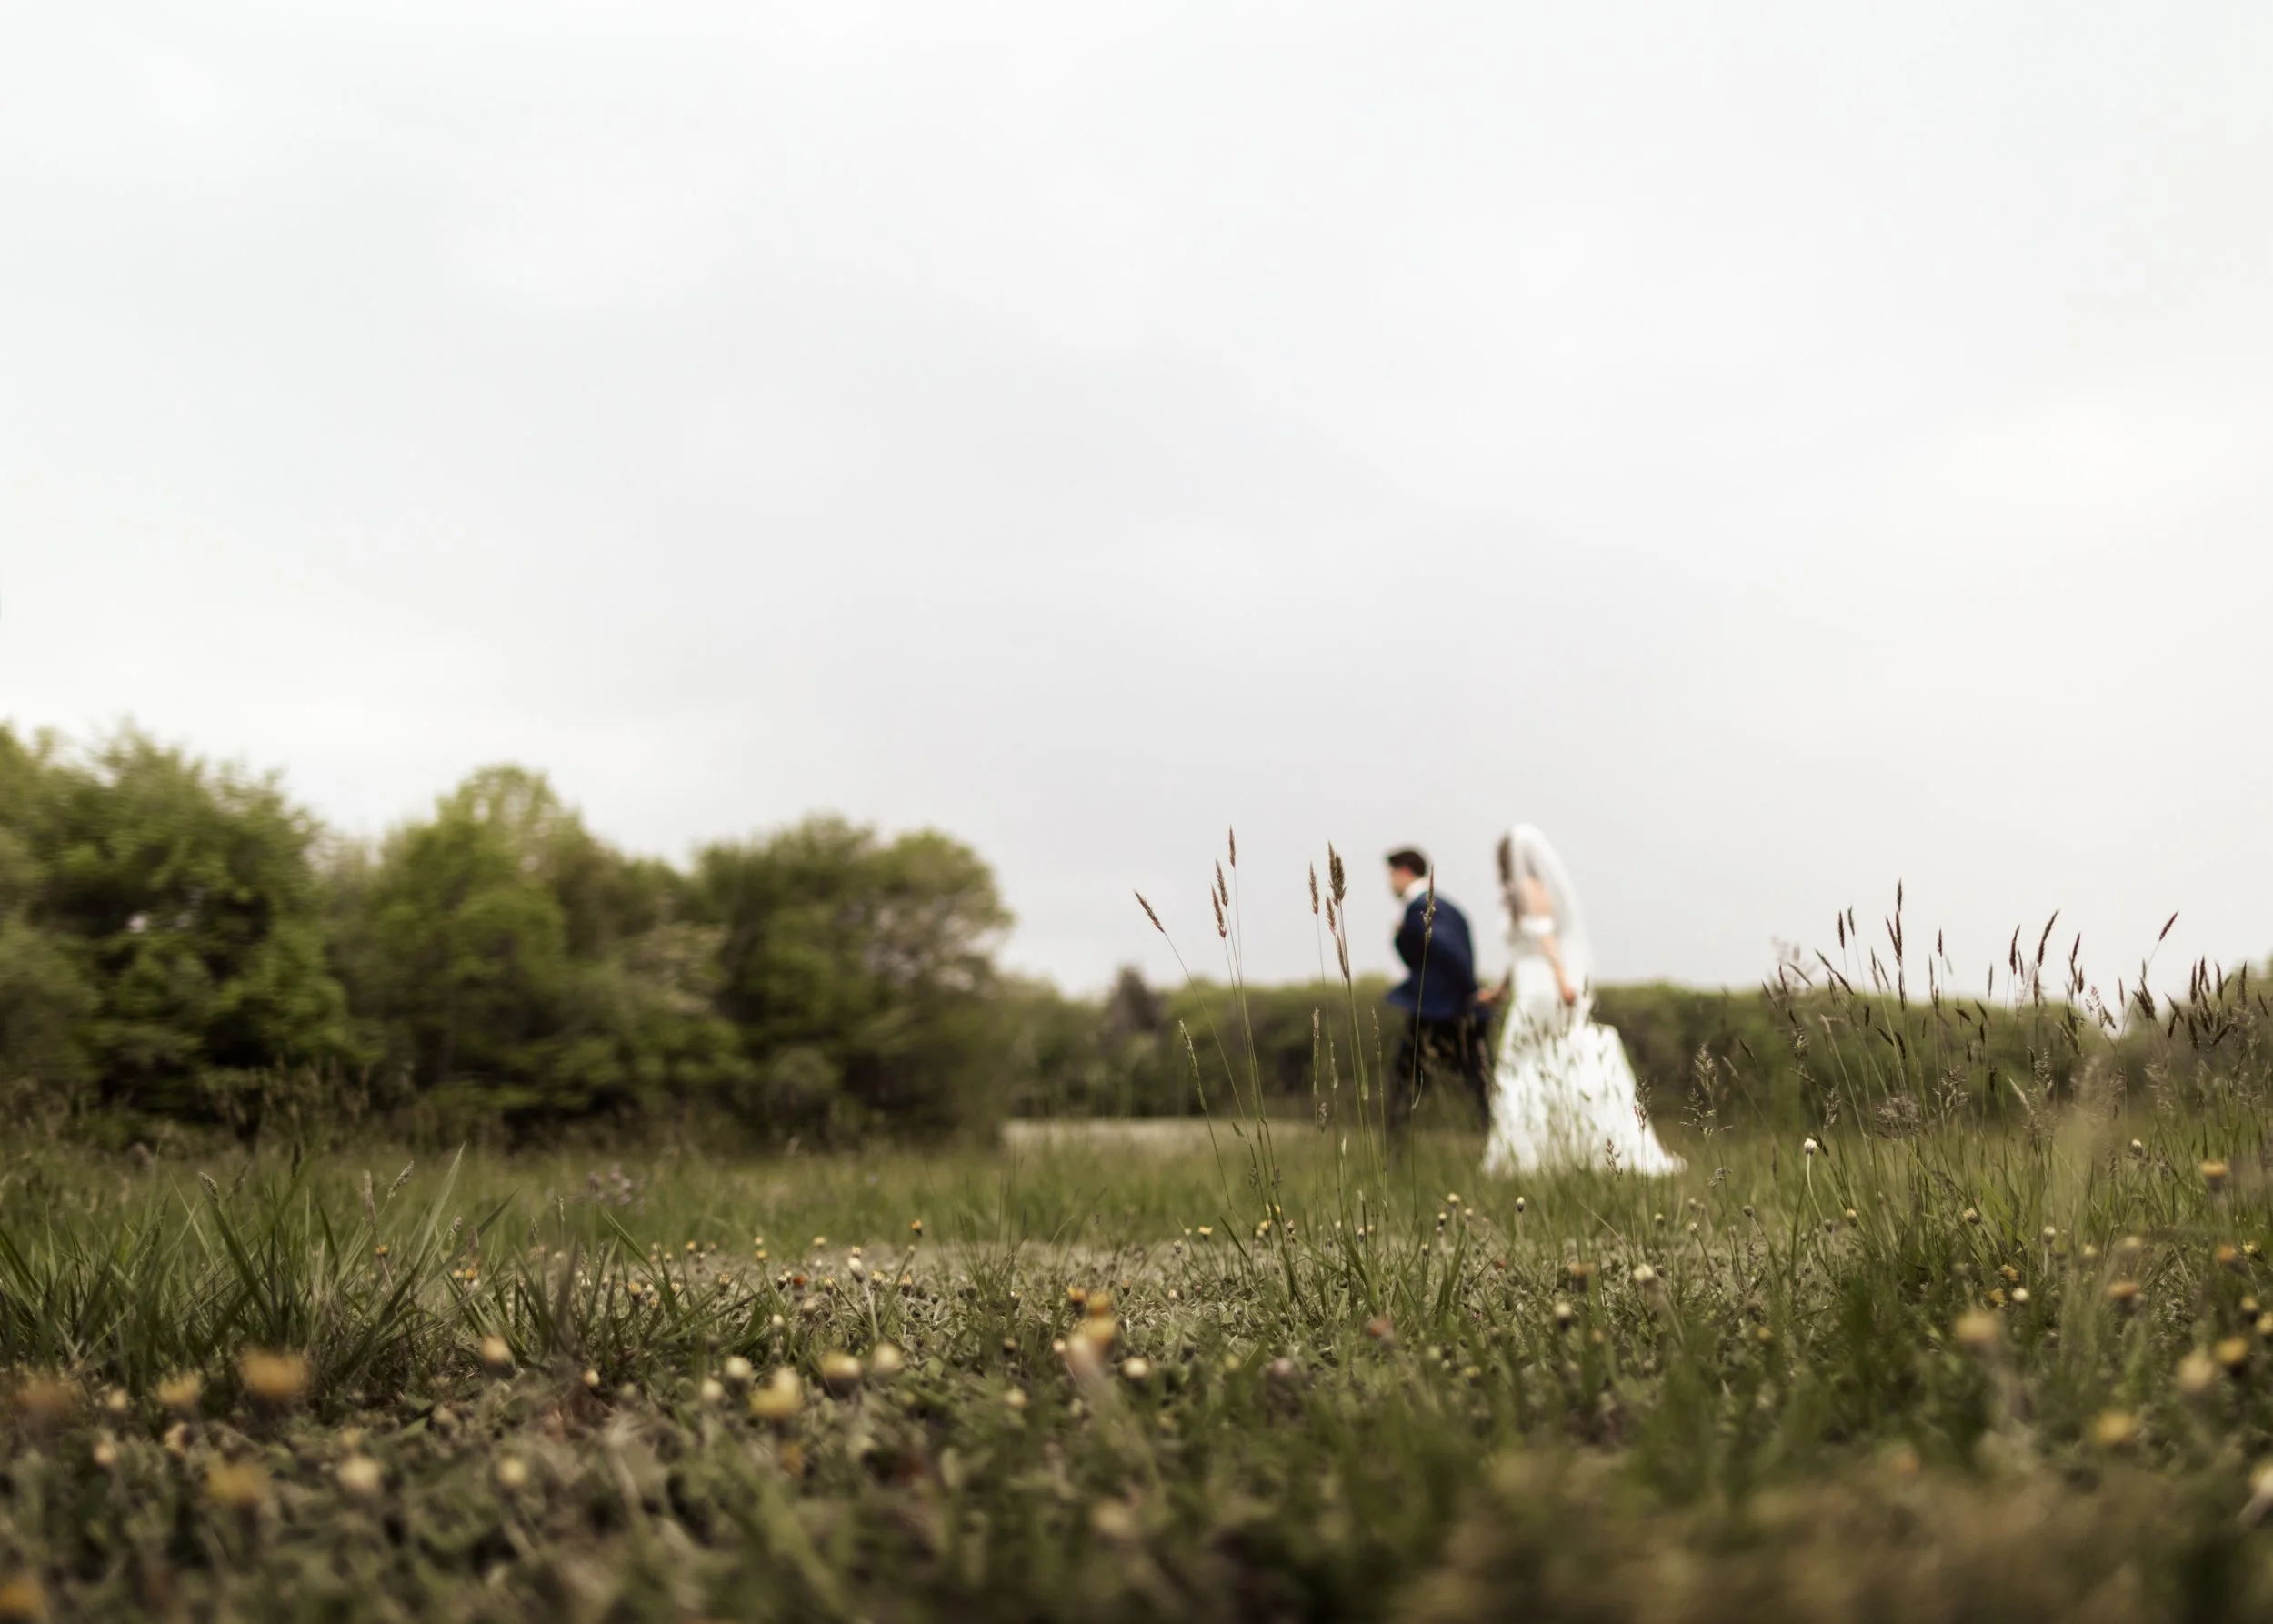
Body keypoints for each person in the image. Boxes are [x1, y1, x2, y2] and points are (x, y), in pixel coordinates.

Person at [1483, 826, 1684, 1176]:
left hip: (1540, 990)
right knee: (1540, 1064)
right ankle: (1549, 1150)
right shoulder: (1520, 893)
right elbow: (1522, 949)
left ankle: (1533, 1154)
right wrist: (1501, 988)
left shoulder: (1526, 890)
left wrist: (1562, 979)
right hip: (1530, 984)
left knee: (1522, 1067)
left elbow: (1545, 938)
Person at [1383, 847, 1494, 1131]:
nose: (1390, 882)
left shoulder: (1423, 906)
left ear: (1405, 872)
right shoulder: (1447, 906)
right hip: (1452, 1008)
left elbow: (1449, 952)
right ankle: (1491, 1137)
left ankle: (1394, 1155)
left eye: (1392, 875)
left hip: (1437, 1010)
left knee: (1405, 1085)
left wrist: (1471, 990)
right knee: (1478, 1085)